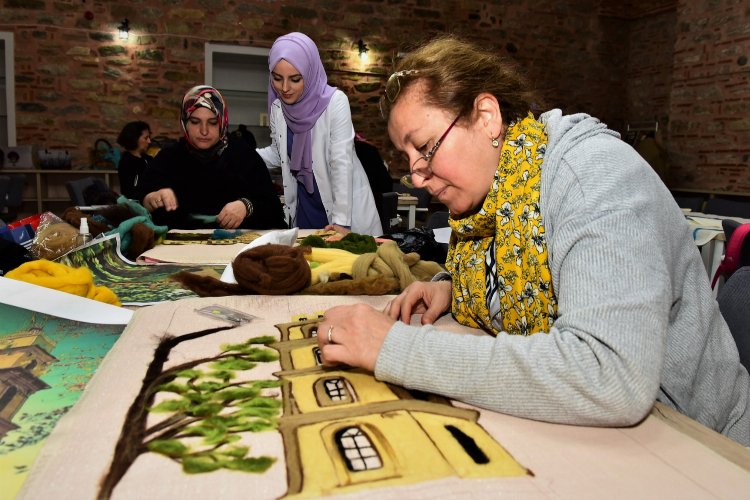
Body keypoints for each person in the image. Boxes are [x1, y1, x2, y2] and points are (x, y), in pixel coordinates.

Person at [315, 35, 750, 446]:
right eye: (406, 159)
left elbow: (609, 374)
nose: (416, 176)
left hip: (704, 447)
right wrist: (455, 285)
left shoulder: (593, 176)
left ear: (486, 117)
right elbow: (527, 263)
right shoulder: (502, 192)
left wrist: (395, 348)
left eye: (425, 148)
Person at [257, 32, 382, 236]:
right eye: (277, 79)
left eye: (295, 79)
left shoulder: (335, 102)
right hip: (305, 208)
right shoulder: (279, 109)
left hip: (342, 211)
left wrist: (342, 222)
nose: (285, 88)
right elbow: (278, 154)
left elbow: (341, 162)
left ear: (310, 72)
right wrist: (239, 154)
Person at [139, 85, 286, 230]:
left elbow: (273, 210)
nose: (204, 131)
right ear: (184, 122)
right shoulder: (167, 159)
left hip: (236, 250)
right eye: (195, 122)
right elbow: (136, 204)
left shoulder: (243, 156)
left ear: (222, 122)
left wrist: (246, 206)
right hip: (179, 251)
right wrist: (150, 199)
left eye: (213, 122)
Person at [116, 120, 153, 200]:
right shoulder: (126, 163)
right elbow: (129, 193)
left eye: (149, 137)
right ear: (134, 139)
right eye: (146, 138)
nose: (149, 141)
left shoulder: (148, 159)